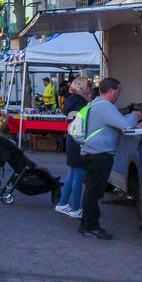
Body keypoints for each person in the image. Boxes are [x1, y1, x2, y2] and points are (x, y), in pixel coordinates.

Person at [78, 77, 142, 239]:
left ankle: (86, 224)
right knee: (94, 192)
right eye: (119, 91)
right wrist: (136, 116)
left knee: (91, 191)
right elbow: (125, 124)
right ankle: (91, 227)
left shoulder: (96, 104)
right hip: (99, 155)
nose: (119, 95)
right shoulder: (105, 107)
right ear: (112, 91)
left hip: (92, 153)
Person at [56, 77, 91, 218]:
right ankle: (75, 208)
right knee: (79, 175)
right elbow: (80, 123)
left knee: (74, 173)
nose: (91, 88)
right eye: (88, 85)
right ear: (81, 88)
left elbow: (71, 120)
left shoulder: (72, 100)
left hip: (72, 139)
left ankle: (62, 203)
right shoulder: (80, 102)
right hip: (78, 141)